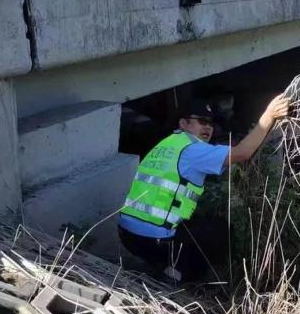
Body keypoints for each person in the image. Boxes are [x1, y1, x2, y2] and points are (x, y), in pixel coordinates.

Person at [118, 94, 290, 282]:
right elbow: (243, 153)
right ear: (183, 124)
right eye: (201, 121)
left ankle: (162, 265)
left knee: (196, 226)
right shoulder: (193, 150)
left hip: (127, 234)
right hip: (154, 238)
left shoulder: (168, 144)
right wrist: (268, 116)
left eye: (210, 123)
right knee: (218, 233)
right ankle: (173, 277)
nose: (207, 127)